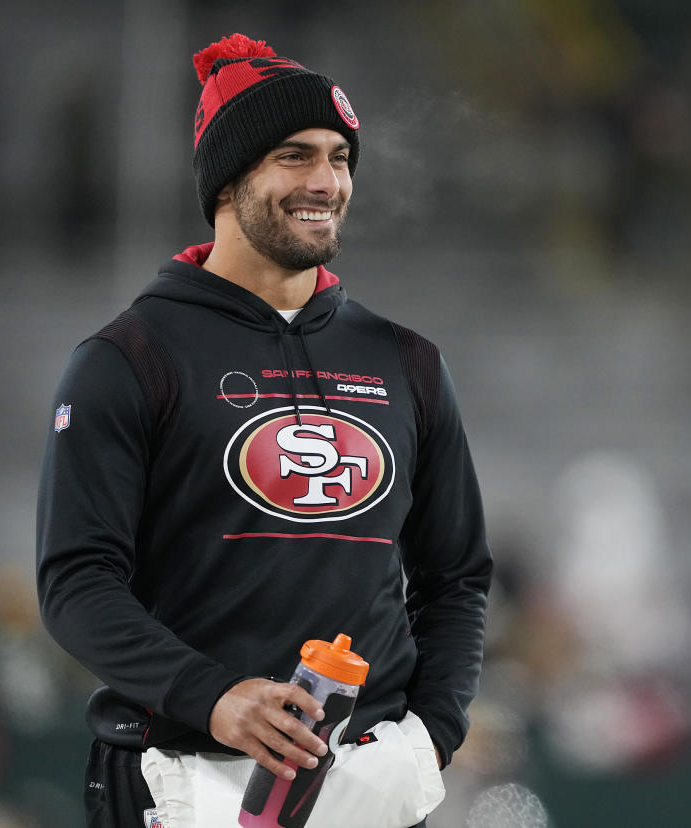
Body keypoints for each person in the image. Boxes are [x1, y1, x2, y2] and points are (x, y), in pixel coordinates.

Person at [36, 33, 492, 828]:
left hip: (369, 782)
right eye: (294, 155)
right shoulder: (127, 359)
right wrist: (213, 698)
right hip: (176, 777)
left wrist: (431, 735)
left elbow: (456, 578)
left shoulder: (407, 363)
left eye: (340, 157)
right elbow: (76, 585)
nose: (327, 181)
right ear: (228, 177)